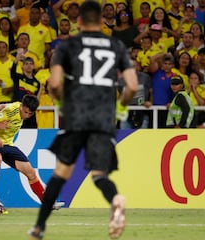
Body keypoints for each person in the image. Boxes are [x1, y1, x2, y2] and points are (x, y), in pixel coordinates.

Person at [29, 1, 138, 239]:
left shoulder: (67, 46)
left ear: (78, 21)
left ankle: (39, 228)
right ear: (101, 21)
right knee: (99, 175)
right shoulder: (116, 45)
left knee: (60, 173)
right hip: (103, 117)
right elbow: (132, 86)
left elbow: (54, 83)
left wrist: (59, 104)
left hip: (76, 116)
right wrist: (119, 109)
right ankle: (115, 199)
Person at [0, 94, 63, 208]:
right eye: (25, 112)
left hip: (8, 145)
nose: (27, 115)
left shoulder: (17, 106)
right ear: (22, 107)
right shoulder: (11, 112)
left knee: (31, 172)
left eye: (30, 114)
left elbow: (5, 105)